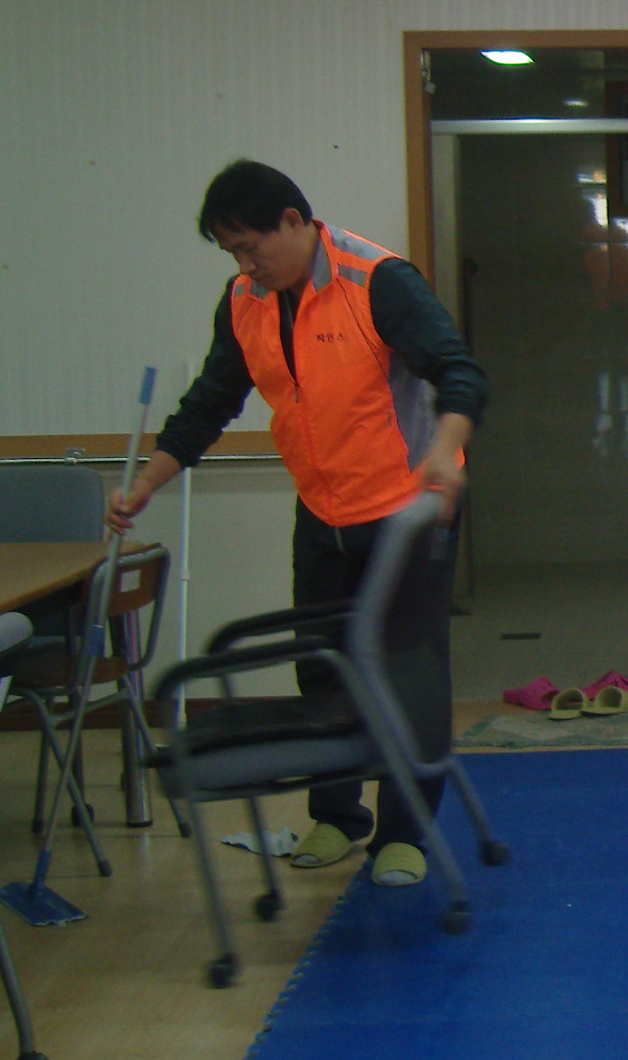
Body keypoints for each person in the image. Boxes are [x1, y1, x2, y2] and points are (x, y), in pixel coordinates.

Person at [109, 160, 486, 886]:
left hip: (408, 507)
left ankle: (404, 833)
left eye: (251, 247)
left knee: (407, 672)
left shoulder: (377, 280)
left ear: (293, 220)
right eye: (232, 253)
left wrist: (446, 448)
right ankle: (337, 815)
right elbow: (210, 401)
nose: (245, 266)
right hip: (323, 508)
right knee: (321, 663)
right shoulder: (245, 300)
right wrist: (145, 484)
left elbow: (460, 370)